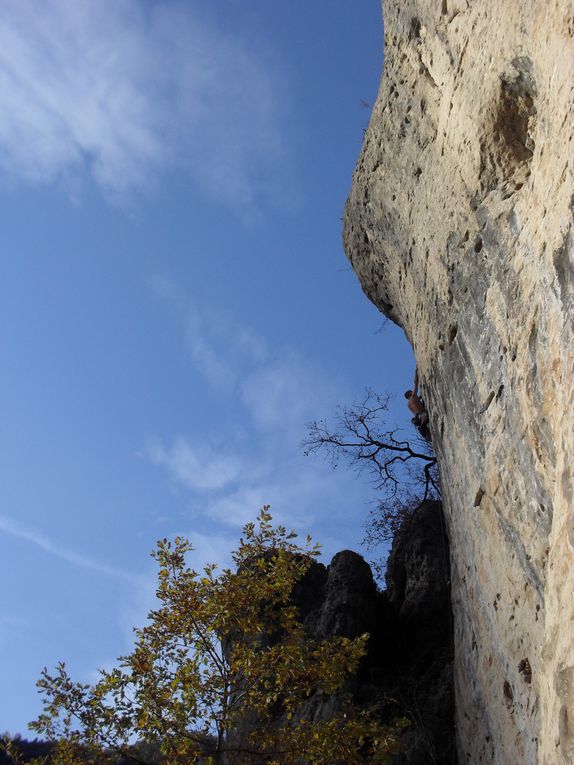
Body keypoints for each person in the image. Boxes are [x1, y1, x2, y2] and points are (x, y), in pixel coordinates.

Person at [405, 369, 431, 440]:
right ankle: (423, 428)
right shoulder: (413, 396)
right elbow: (416, 383)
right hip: (422, 415)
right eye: (411, 391)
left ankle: (425, 432)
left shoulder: (409, 404)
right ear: (410, 394)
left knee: (429, 436)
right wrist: (416, 372)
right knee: (426, 419)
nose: (413, 391)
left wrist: (420, 397)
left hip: (418, 418)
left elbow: (417, 404)